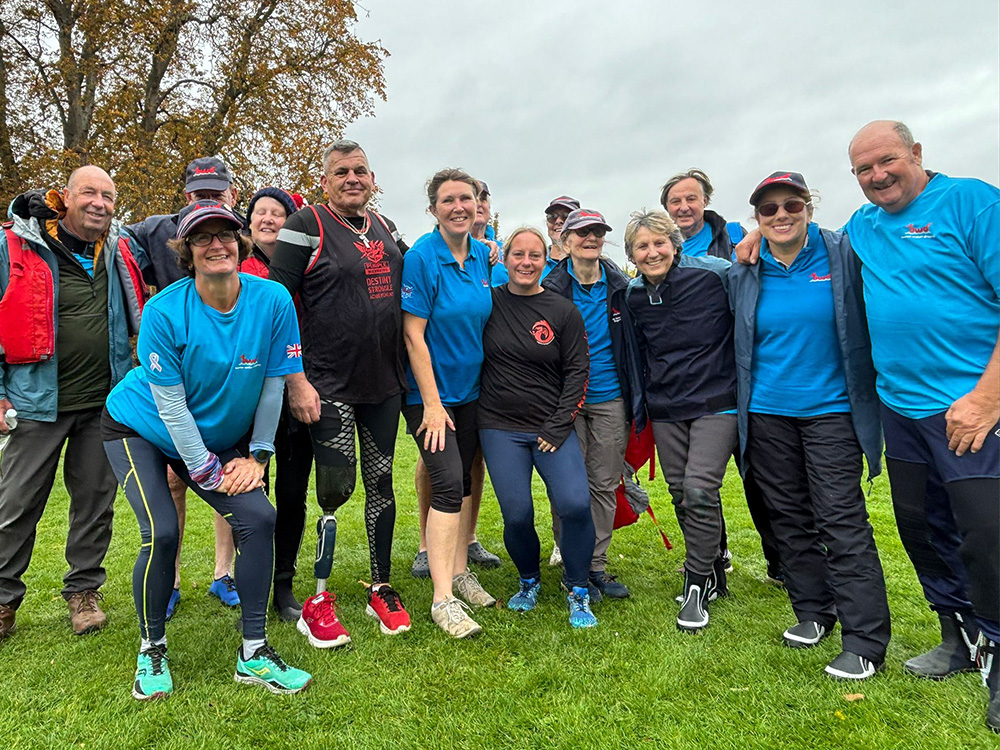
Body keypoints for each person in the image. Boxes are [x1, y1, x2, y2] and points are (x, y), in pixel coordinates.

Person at [102, 200, 311, 699]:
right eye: (202, 237)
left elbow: (274, 385)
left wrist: (258, 455)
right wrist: (207, 470)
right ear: (187, 251)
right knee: (163, 530)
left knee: (259, 519)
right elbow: (171, 407)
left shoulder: (273, 300)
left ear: (240, 244)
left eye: (225, 234)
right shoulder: (163, 310)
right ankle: (152, 649)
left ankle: (254, 653)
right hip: (141, 427)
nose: (215, 244)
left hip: (216, 436)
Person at [845, 122, 997, 728]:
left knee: (986, 535)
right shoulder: (862, 227)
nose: (877, 176)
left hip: (970, 412)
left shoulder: (971, 201)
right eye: (862, 170)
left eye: (886, 161)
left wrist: (988, 397)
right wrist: (747, 239)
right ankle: (956, 634)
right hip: (900, 411)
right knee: (920, 527)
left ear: (916, 153)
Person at [729, 171, 891, 680]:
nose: (781, 215)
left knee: (841, 520)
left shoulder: (845, 251)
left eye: (791, 205)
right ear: (756, 217)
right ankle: (814, 611)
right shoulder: (743, 270)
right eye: (769, 209)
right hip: (768, 414)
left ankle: (864, 640)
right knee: (788, 518)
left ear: (809, 206)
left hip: (832, 412)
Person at [269, 140, 411, 646]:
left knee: (381, 484)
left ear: (372, 179)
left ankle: (381, 585)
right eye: (341, 172)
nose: (353, 178)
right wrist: (295, 378)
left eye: (361, 171)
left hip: (382, 384)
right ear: (324, 181)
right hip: (326, 384)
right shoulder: (305, 226)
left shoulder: (386, 229)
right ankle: (313, 594)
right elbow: (276, 305)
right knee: (332, 487)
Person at [0, 166, 144, 642]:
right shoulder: (17, 247)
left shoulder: (119, 252)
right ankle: (2, 599)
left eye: (108, 194)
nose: (99, 203)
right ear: (64, 198)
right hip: (35, 401)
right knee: (16, 504)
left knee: (94, 504)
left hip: (104, 402)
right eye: (89, 193)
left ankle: (83, 593)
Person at [123, 156, 244, 616]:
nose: (208, 200)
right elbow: (111, 241)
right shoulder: (155, 230)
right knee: (176, 479)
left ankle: (223, 573)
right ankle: (170, 578)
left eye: (216, 192)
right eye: (199, 193)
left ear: (230, 195)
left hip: (228, 380)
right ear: (186, 195)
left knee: (227, 474)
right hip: (175, 371)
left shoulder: (237, 228)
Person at [660, 169, 782, 584]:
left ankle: (779, 560)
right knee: (698, 482)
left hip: (738, 374)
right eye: (675, 201)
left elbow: (773, 244)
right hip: (691, 385)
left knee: (757, 476)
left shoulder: (731, 236)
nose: (683, 207)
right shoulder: (663, 248)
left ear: (706, 200)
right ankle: (715, 555)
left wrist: (758, 236)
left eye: (691, 199)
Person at [477, 226, 597, 628]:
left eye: (535, 256)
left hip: (551, 428)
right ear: (505, 259)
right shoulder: (487, 304)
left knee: (576, 504)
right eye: (518, 255)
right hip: (499, 427)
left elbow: (579, 371)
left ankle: (578, 588)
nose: (526, 262)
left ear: (546, 262)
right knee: (517, 515)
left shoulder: (562, 310)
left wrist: (558, 425)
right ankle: (529, 580)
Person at [622, 210, 735, 632]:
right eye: (642, 246)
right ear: (632, 254)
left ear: (675, 242)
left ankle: (695, 581)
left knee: (701, 488)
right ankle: (714, 566)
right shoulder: (632, 296)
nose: (652, 253)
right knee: (679, 492)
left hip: (716, 401)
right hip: (666, 407)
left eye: (659, 243)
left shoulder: (716, 275)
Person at [401, 168, 495, 638]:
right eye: (448, 200)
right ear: (434, 208)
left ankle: (460, 571)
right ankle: (443, 599)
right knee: (445, 484)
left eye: (467, 198)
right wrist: (433, 405)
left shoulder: (482, 256)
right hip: (429, 397)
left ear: (478, 204)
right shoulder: (422, 256)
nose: (459, 206)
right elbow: (412, 334)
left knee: (467, 478)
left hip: (474, 392)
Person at [542, 208, 634, 602]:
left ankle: (595, 565)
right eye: (582, 232)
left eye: (597, 232)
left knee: (603, 484)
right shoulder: (550, 288)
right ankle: (572, 563)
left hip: (610, 397)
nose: (590, 238)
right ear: (565, 241)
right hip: (566, 401)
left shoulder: (621, 286)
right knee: (569, 487)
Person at [238, 187, 314, 621]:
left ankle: (283, 585)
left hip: (298, 387)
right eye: (260, 213)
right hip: (250, 392)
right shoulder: (237, 267)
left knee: (292, 491)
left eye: (278, 213)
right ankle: (252, 580)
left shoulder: (306, 265)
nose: (268, 219)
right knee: (253, 492)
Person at [490, 195, 578, 288]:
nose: (558, 221)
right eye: (552, 217)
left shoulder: (590, 265)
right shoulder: (527, 265)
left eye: (567, 217)